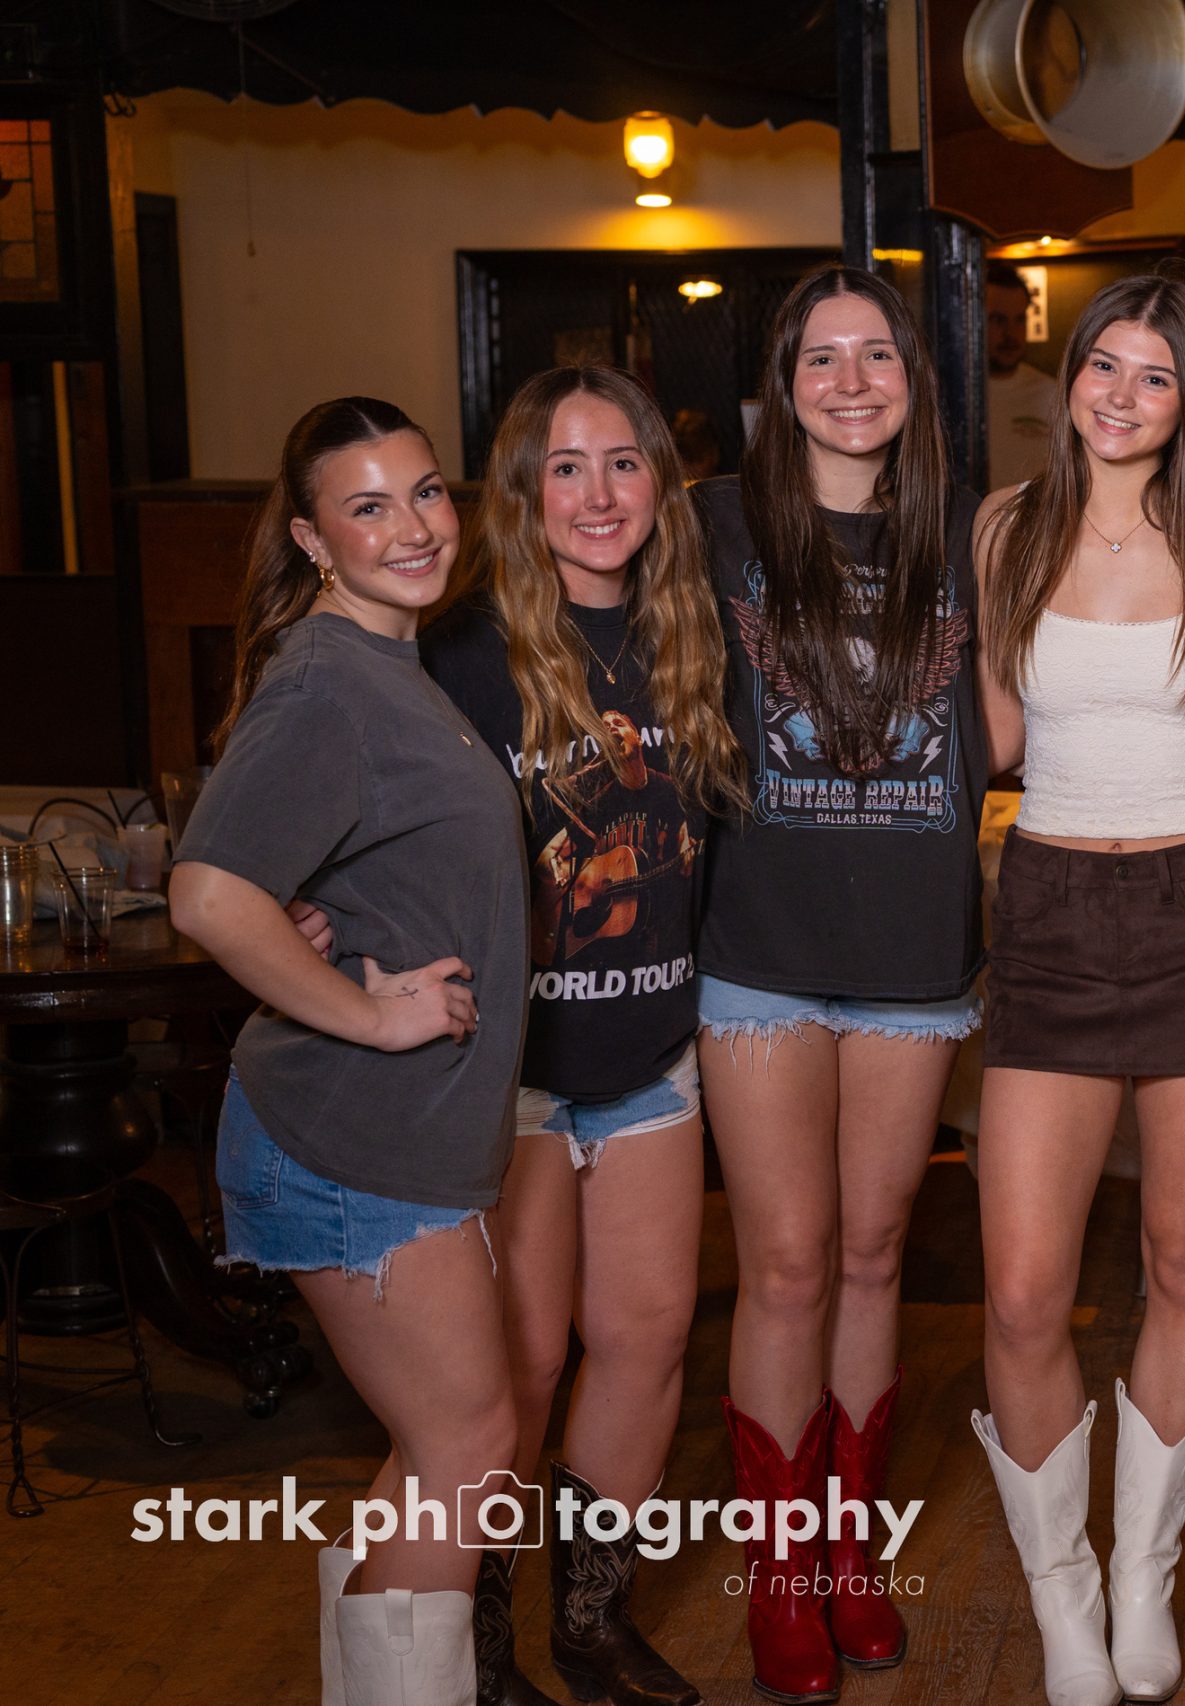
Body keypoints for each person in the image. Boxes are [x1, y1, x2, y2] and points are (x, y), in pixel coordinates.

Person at [170, 397, 525, 1704]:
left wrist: (322, 928)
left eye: (425, 491)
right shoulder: (329, 683)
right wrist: (370, 1011)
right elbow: (209, 893)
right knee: (470, 1443)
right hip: (356, 1136)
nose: (414, 526)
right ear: (315, 540)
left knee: (434, 1452)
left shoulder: (384, 665)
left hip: (399, 1131)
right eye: (368, 507)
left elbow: (311, 871)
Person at [969, 270, 1185, 1706]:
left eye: (1155, 374)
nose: (1122, 394)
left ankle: (1145, 1571)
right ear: (1072, 375)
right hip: (1046, 903)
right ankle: (1065, 1591)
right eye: (1105, 363)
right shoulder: (1005, 527)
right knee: (1024, 1287)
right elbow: (990, 734)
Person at [422, 365, 742, 1706]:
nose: (599, 494)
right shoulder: (459, 650)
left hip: (654, 1054)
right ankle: (480, 1641)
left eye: (624, 463)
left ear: (661, 482)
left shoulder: (692, 635)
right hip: (516, 1075)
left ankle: (590, 1621)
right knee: (524, 1360)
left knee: (650, 1336)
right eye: (566, 467)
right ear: (523, 491)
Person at [695, 265, 986, 1703]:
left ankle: (848, 1544)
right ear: (784, 383)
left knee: (875, 1254)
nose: (852, 381)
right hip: (760, 950)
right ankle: (778, 1571)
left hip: (915, 955)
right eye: (824, 357)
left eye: (878, 356)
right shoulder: (713, 523)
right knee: (791, 1260)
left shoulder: (969, 534)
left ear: (913, 384)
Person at [986, 260, 1061, 492]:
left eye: (1020, 319)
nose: (1011, 333)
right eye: (998, 320)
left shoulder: (1052, 393)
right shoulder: (949, 393)